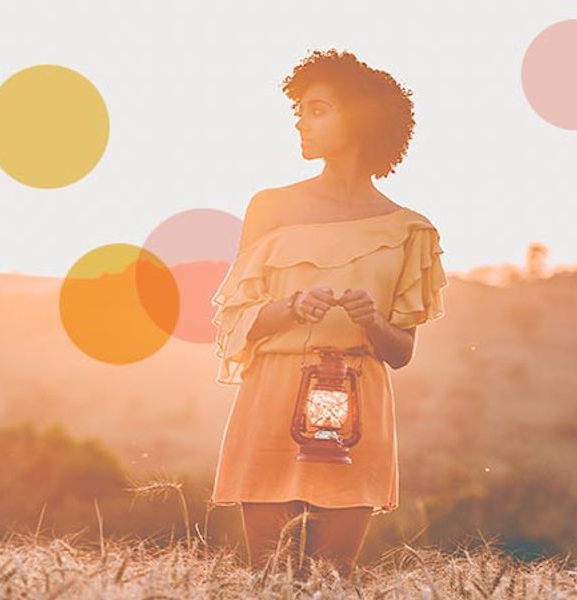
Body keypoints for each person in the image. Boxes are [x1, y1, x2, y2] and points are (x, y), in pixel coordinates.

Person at [209, 48, 449, 581]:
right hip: (271, 394)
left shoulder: (410, 230)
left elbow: (402, 351)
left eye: (318, 110)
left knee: (331, 583)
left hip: (359, 407)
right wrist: (290, 307)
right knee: (269, 580)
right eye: (300, 110)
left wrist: (373, 322)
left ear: (361, 118)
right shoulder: (270, 207)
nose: (301, 121)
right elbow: (234, 323)